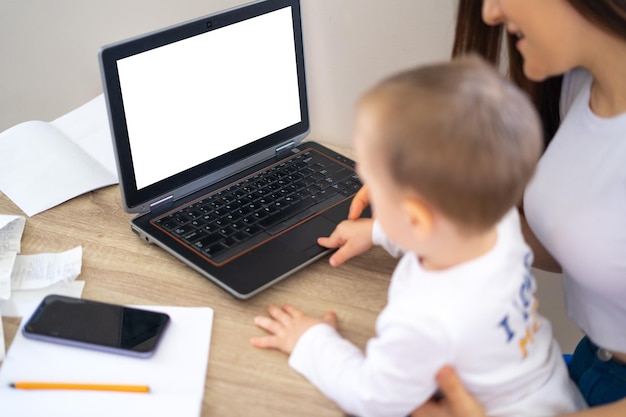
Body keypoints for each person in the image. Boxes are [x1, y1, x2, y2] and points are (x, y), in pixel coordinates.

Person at [251, 55, 586, 417]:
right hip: (555, 391)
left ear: (416, 219)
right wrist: (378, 229)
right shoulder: (498, 223)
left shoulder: (425, 317)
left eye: (371, 182)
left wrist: (311, 341)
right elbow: (442, 230)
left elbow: (372, 398)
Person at [347, 1, 626, 416]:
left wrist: (312, 343)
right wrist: (403, 219)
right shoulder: (582, 84)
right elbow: (584, 246)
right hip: (586, 368)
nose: (490, 13)